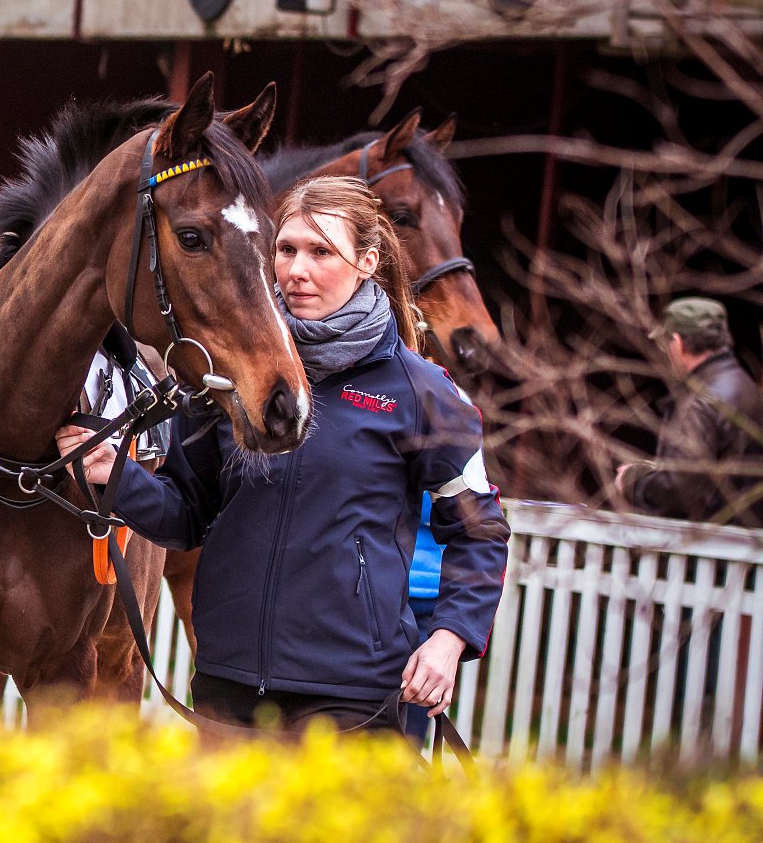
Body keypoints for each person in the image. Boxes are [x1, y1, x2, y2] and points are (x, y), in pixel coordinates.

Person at [63, 175, 509, 734]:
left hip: (353, 700)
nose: (297, 269)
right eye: (286, 249)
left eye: (321, 252)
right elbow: (188, 516)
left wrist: (449, 638)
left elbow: (479, 533)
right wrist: (117, 477)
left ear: (367, 262)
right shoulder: (226, 378)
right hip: (228, 684)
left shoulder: (423, 393)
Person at [617, 297, 763, 526]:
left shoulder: (700, 400)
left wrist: (634, 483)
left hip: (711, 539)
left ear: (678, 342)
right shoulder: (746, 386)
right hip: (746, 537)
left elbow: (680, 493)